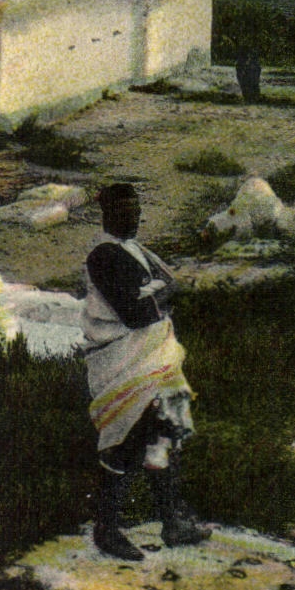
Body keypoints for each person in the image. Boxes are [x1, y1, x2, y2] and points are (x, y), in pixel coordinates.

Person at [81, 182, 210, 561]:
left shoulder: (135, 251)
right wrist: (160, 292)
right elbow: (137, 314)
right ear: (108, 215)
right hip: (125, 361)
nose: (134, 217)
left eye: (137, 210)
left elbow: (166, 291)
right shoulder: (103, 256)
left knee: (167, 431)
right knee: (127, 440)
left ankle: (172, 522)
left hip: (156, 358)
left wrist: (155, 291)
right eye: (125, 211)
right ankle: (106, 529)